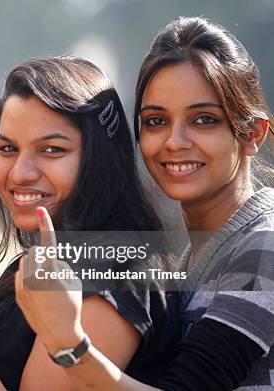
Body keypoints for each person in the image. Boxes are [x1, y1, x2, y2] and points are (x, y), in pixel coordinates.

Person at [16, 16, 274, 391]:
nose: (175, 141)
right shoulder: (192, 256)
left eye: (204, 120)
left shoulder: (263, 245)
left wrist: (68, 343)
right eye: (156, 121)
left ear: (252, 134)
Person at [0, 56, 177, 390]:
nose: (21, 173)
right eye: (7, 148)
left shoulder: (117, 269)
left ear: (99, 160)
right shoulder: (38, 265)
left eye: (51, 150)